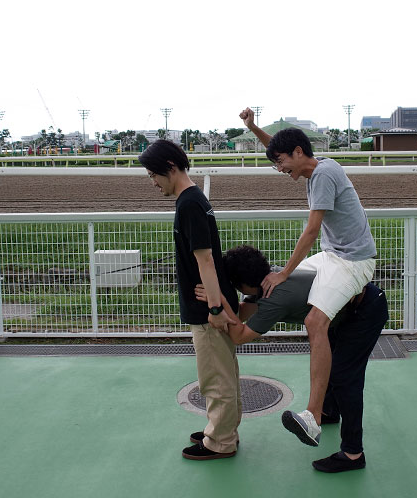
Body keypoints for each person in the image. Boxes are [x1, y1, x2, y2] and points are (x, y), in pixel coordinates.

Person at [239, 107, 377, 448]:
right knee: (280, 286)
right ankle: (237, 321)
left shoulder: (324, 175)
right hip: (333, 255)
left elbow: (312, 230)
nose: (280, 168)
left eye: (282, 162)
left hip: (352, 261)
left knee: (315, 321)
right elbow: (279, 145)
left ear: (299, 154)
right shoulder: (313, 164)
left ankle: (312, 418)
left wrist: (285, 269)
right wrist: (254, 127)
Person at [198, 244, 388, 473]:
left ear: (243, 284)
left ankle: (353, 453)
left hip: (364, 312)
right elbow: (244, 312)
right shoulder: (272, 279)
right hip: (345, 313)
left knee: (345, 378)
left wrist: (217, 299)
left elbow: (238, 335)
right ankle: (329, 411)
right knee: (333, 365)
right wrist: (218, 302)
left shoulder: (275, 299)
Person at [138, 139, 241, 461]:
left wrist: (214, 308)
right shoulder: (195, 199)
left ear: (170, 168)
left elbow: (205, 259)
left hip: (208, 310)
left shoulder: (189, 204)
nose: (152, 182)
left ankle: (220, 441)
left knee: (215, 377)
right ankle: (223, 429)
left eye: (154, 175)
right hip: (211, 303)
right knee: (223, 372)